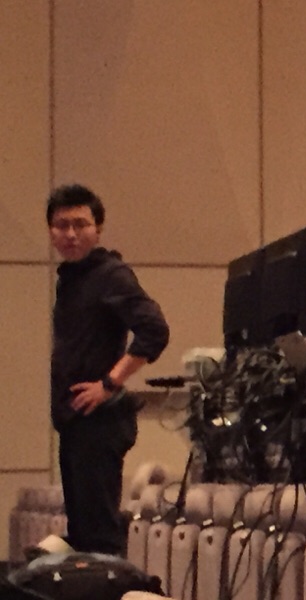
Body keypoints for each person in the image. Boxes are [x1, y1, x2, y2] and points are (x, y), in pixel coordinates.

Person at [47, 184, 169, 555]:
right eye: (61, 225)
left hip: (99, 421)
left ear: (97, 229)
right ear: (51, 231)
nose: (70, 234)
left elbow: (154, 330)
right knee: (82, 536)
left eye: (80, 224)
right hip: (76, 420)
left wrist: (109, 383)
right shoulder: (72, 279)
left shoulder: (110, 274)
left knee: (100, 537)